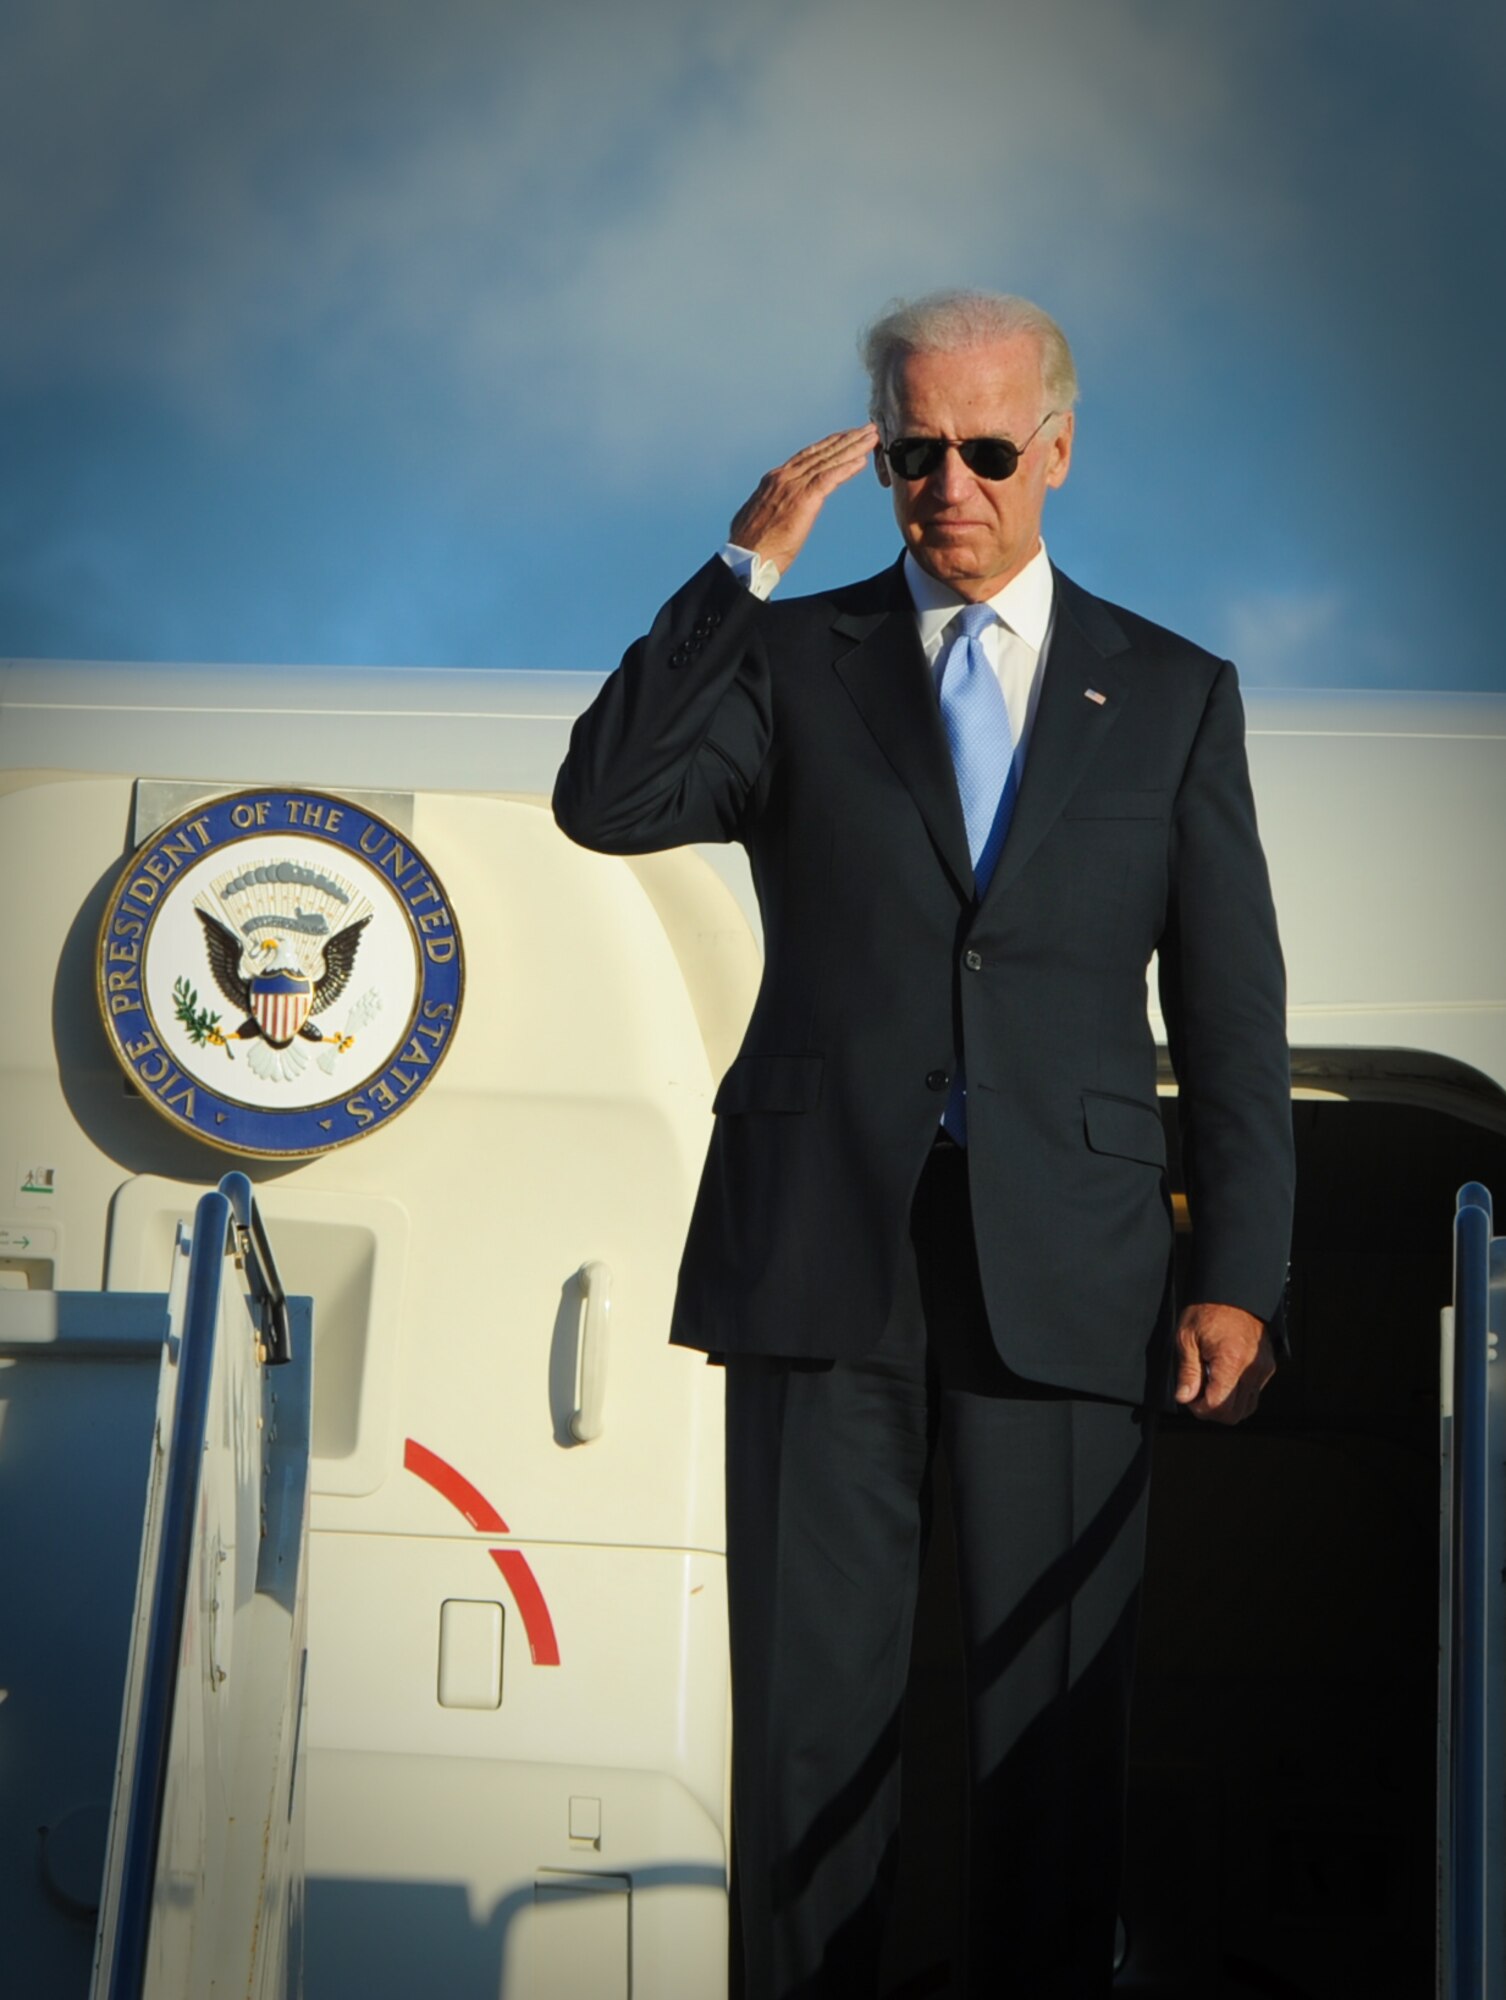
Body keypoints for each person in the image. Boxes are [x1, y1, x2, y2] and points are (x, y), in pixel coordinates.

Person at [553, 289, 1294, 1998]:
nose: (945, 486)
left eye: (981, 452)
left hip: (1074, 1263)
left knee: (1051, 1722)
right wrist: (739, 569)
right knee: (805, 1725)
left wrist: (1240, 1273)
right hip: (822, 1253)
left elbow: (1230, 1013)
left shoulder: (1171, 692)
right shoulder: (786, 659)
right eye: (909, 454)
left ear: (1055, 449)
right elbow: (607, 801)